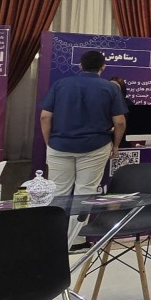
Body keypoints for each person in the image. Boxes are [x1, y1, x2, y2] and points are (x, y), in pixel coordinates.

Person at [39, 50, 127, 240]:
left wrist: (49, 143)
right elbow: (119, 121)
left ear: (80, 65)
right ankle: (75, 241)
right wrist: (116, 145)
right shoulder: (110, 88)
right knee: (85, 194)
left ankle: (53, 240)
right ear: (103, 67)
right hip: (95, 146)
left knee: (58, 193)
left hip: (59, 145)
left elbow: (45, 116)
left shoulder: (61, 84)